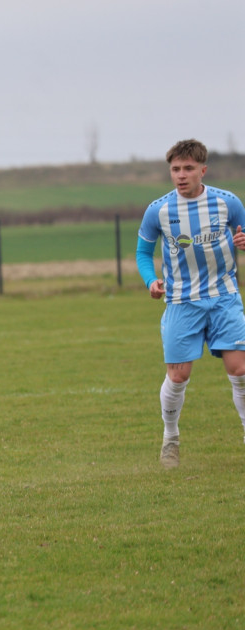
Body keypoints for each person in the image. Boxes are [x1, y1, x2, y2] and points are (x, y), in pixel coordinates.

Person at [136, 138, 245, 469]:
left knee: (239, 368)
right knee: (179, 375)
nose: (181, 175)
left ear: (203, 170)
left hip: (224, 296)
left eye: (187, 169)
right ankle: (171, 438)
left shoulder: (228, 203)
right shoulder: (159, 210)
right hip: (182, 301)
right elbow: (143, 253)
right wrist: (150, 281)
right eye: (175, 169)